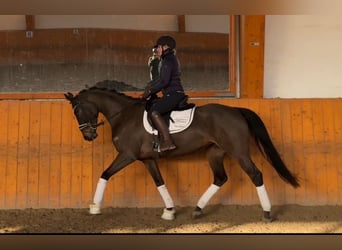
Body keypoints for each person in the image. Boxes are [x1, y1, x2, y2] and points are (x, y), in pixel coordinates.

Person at [142, 35, 186, 152]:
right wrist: (150, 87)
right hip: (171, 94)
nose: (157, 50)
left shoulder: (168, 60)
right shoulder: (168, 60)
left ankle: (167, 142)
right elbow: (160, 80)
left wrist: (150, 91)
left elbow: (164, 81)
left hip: (174, 94)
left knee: (155, 112)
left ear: (165, 47)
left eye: (159, 47)